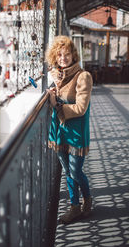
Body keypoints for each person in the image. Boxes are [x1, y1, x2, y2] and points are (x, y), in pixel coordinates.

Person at [46, 35, 93, 224]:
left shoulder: (83, 76)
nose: (63, 58)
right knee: (67, 171)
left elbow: (81, 108)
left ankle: (87, 200)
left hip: (75, 132)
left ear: (74, 55)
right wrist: (54, 89)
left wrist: (56, 105)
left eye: (66, 54)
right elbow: (59, 93)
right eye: (59, 55)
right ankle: (74, 206)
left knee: (75, 171)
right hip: (59, 130)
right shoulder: (58, 76)